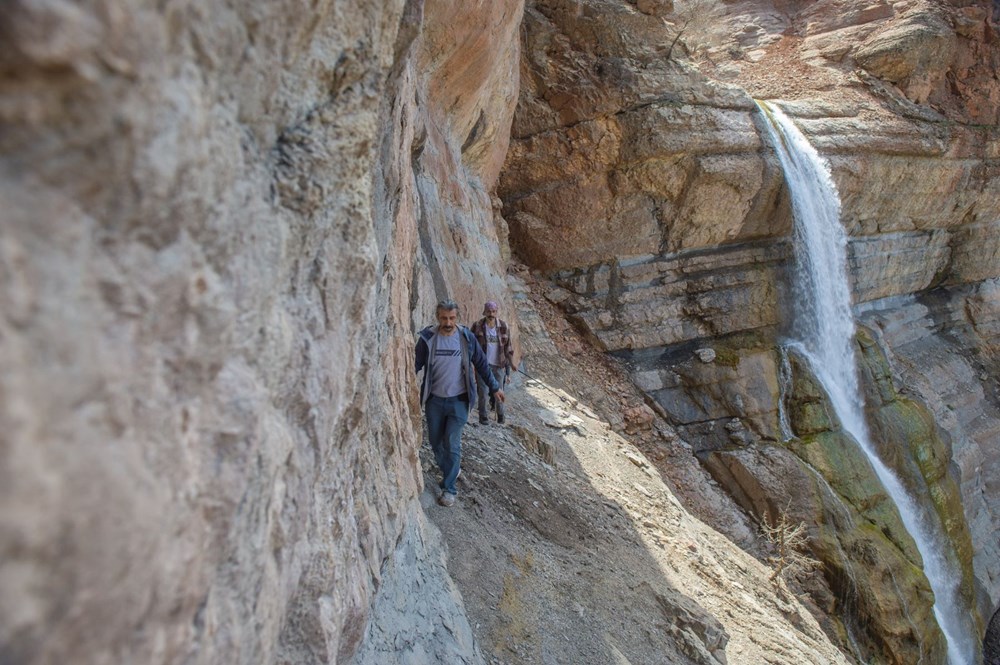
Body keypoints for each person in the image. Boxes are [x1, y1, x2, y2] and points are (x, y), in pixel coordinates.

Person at [415, 299, 505, 507]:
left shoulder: (466, 338)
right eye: (444, 318)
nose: (448, 322)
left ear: (457, 318)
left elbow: (482, 364)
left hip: (459, 401)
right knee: (436, 443)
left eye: (452, 318)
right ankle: (451, 469)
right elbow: (415, 364)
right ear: (438, 317)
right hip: (434, 400)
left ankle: (449, 489)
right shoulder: (428, 338)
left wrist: (494, 387)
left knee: (452, 443)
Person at [470, 300, 516, 425]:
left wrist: (511, 364)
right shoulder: (477, 326)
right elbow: (470, 345)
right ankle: (483, 417)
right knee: (483, 392)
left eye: (493, 311)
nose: (491, 314)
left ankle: (501, 416)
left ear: (497, 312)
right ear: (484, 312)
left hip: (499, 365)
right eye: (489, 311)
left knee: (499, 391)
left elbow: (508, 348)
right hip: (482, 365)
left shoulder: (503, 326)